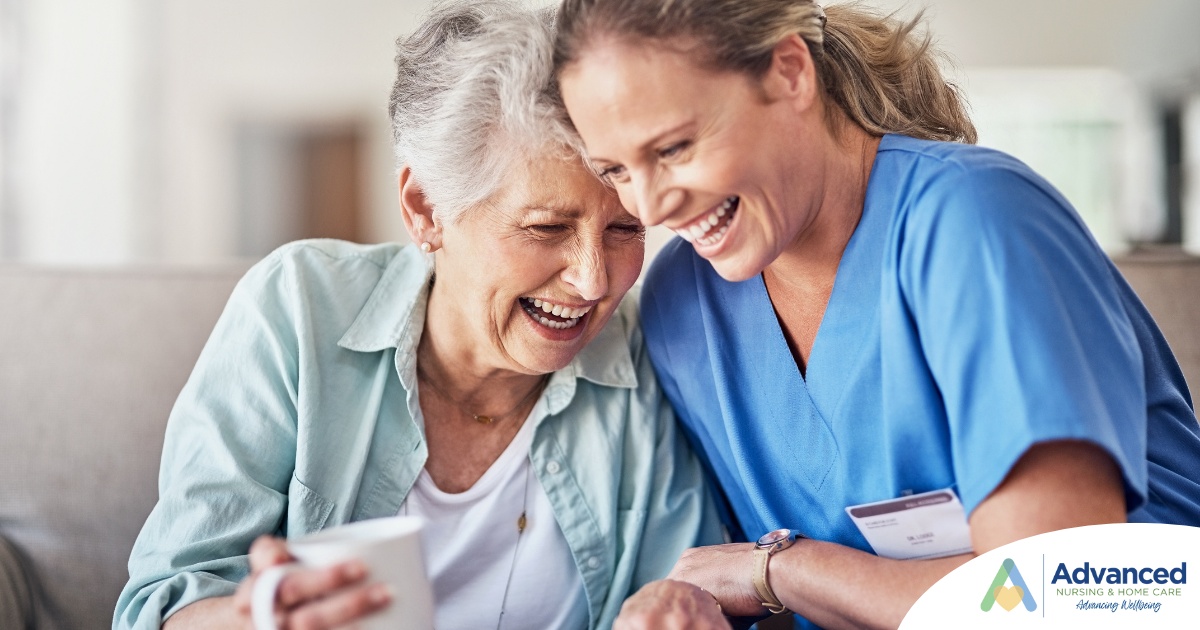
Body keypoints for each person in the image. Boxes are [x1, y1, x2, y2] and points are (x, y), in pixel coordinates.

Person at [552, 1, 1200, 628]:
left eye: (673, 148)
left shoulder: (976, 222)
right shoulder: (685, 304)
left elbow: (1047, 605)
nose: (652, 207)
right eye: (616, 169)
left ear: (790, 72)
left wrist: (780, 572)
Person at [114, 2, 721, 628]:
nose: (595, 280)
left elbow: (690, 584)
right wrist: (258, 620)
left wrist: (684, 605)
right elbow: (164, 603)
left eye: (626, 228)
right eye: (546, 227)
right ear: (426, 209)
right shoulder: (297, 307)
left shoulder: (644, 355)